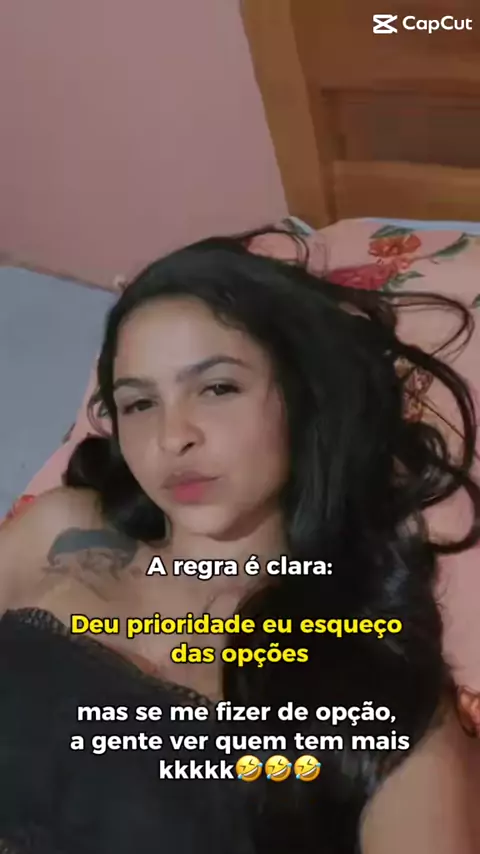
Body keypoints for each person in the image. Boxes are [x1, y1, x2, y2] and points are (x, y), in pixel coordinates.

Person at [0, 232, 479, 854]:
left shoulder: (384, 693)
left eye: (217, 388)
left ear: (305, 398)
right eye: (139, 403)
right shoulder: (60, 532)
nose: (172, 437)